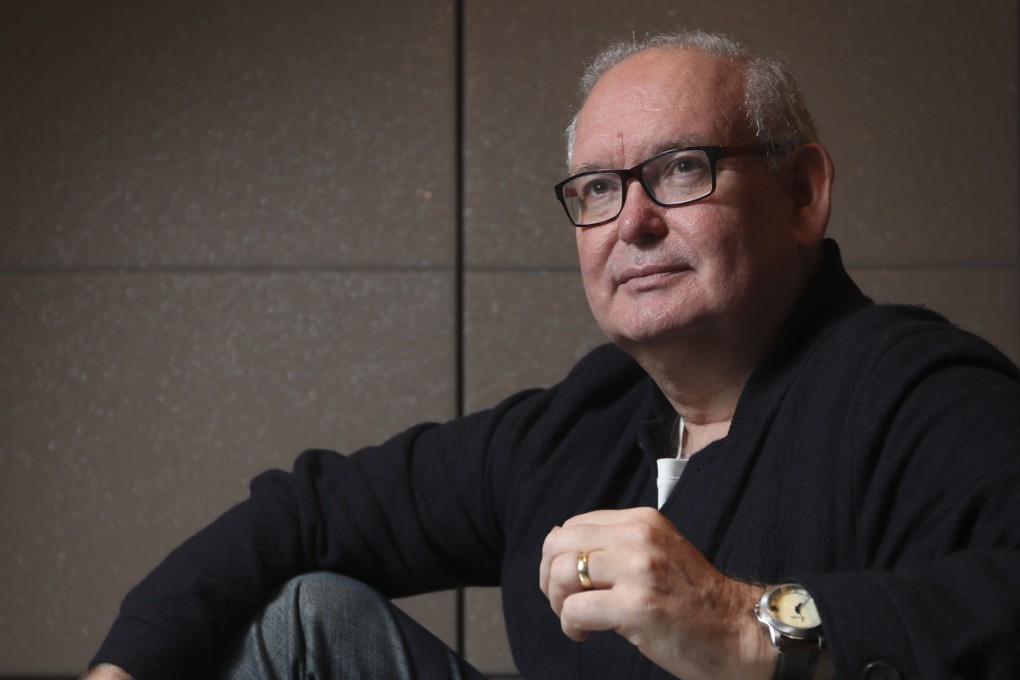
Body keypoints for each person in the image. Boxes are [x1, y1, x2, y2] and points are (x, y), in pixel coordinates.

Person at [83, 31, 1020, 680]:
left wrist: (751, 627)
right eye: (600, 189)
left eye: (683, 169)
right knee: (308, 620)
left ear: (803, 194)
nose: (635, 222)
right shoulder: (580, 423)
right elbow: (306, 511)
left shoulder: (922, 394)